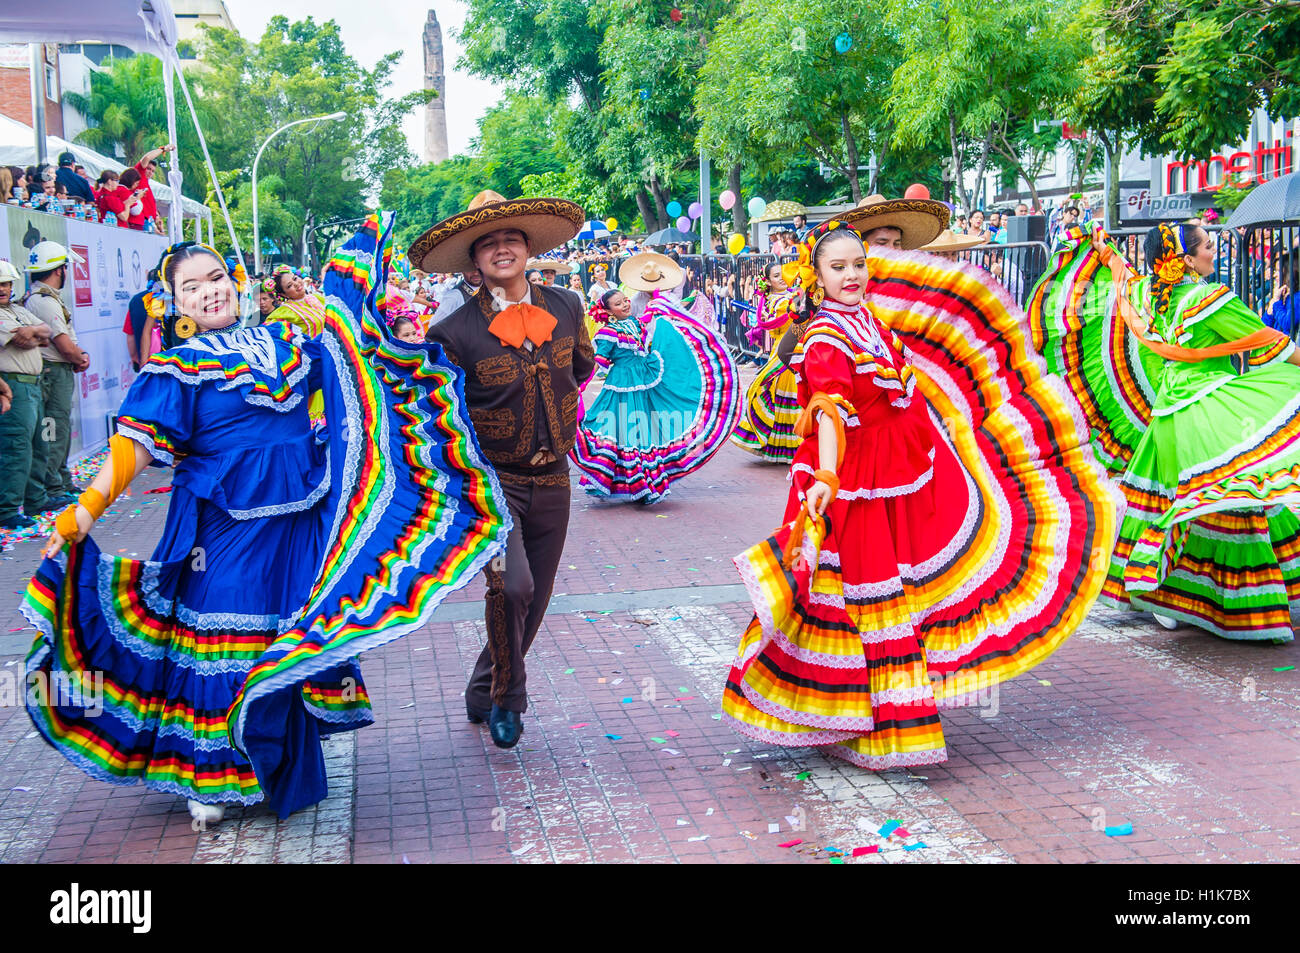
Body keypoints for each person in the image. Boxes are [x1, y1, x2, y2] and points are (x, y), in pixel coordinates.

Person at [23, 223, 510, 824]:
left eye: (217, 278)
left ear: (237, 282)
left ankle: (271, 761)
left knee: (283, 635)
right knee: (223, 630)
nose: (209, 292)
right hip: (223, 524)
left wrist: (342, 299)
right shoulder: (174, 369)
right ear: (173, 304)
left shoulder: (287, 345)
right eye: (191, 287)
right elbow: (134, 447)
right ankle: (212, 773)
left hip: (301, 518)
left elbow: (351, 368)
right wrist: (86, 509)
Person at [722, 218, 1119, 768]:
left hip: (898, 475)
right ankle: (871, 726)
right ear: (816, 275)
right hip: (854, 484)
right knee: (863, 598)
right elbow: (831, 415)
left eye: (858, 264)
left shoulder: (872, 324)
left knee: (895, 594)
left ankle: (874, 718)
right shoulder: (824, 339)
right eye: (838, 267)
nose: (852, 275)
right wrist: (829, 480)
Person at [1028, 220, 1300, 640]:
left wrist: (1105, 253)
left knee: (1188, 504)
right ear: (1186, 260)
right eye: (1208, 245)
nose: (1215, 251)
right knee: (1237, 498)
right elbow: (1271, 342)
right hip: (1209, 409)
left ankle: (1171, 592)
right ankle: (1227, 608)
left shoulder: (1150, 295)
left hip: (1168, 414)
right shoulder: (1212, 298)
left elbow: (1124, 280)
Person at [416, 189, 595, 749]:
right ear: (474, 261)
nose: (501, 249)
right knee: (510, 588)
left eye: (510, 238)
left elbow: (582, 365)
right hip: (495, 484)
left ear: (527, 247)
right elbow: (438, 414)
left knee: (535, 597)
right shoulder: (452, 333)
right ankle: (506, 699)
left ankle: (481, 685)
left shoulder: (567, 305)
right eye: (487, 242)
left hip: (556, 477)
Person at [571, 253, 739, 503]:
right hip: (621, 387)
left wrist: (661, 299)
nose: (625, 304)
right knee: (624, 433)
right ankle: (629, 482)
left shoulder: (637, 324)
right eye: (618, 304)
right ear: (608, 311)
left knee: (643, 432)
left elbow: (660, 316)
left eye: (625, 300)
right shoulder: (607, 333)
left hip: (645, 382)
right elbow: (599, 363)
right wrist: (579, 385)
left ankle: (639, 482)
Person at [23, 242, 89, 508]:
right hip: (53, 373)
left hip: (56, 371)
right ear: (60, 270)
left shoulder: (45, 299)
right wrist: (79, 357)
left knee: (58, 429)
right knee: (52, 431)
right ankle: (52, 486)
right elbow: (62, 343)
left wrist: (78, 355)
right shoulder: (44, 302)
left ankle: (60, 481)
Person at [0, 259, 55, 531]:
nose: (3, 288)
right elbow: (20, 340)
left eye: (6, 283)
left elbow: (46, 333)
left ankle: (36, 498)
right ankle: (8, 509)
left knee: (40, 443)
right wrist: (36, 334)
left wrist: (33, 332)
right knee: (16, 448)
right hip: (15, 386)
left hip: (34, 384)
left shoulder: (17, 310)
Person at [732, 262, 804, 463]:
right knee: (789, 393)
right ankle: (790, 447)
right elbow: (772, 322)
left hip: (803, 347)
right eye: (776, 275)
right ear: (769, 281)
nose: (781, 278)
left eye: (783, 274)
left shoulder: (793, 295)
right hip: (785, 351)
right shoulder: (773, 301)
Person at [266, 263, 327, 337]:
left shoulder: (317, 297)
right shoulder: (285, 311)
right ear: (284, 294)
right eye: (289, 286)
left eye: (295, 278)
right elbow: (268, 331)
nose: (296, 284)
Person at [132, 144, 174, 232]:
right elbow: (147, 158)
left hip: (150, 223)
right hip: (141, 222)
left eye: (153, 171)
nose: (150, 172)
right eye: (148, 169)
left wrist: (157, 221)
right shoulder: (139, 176)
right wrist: (163, 149)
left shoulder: (147, 185)